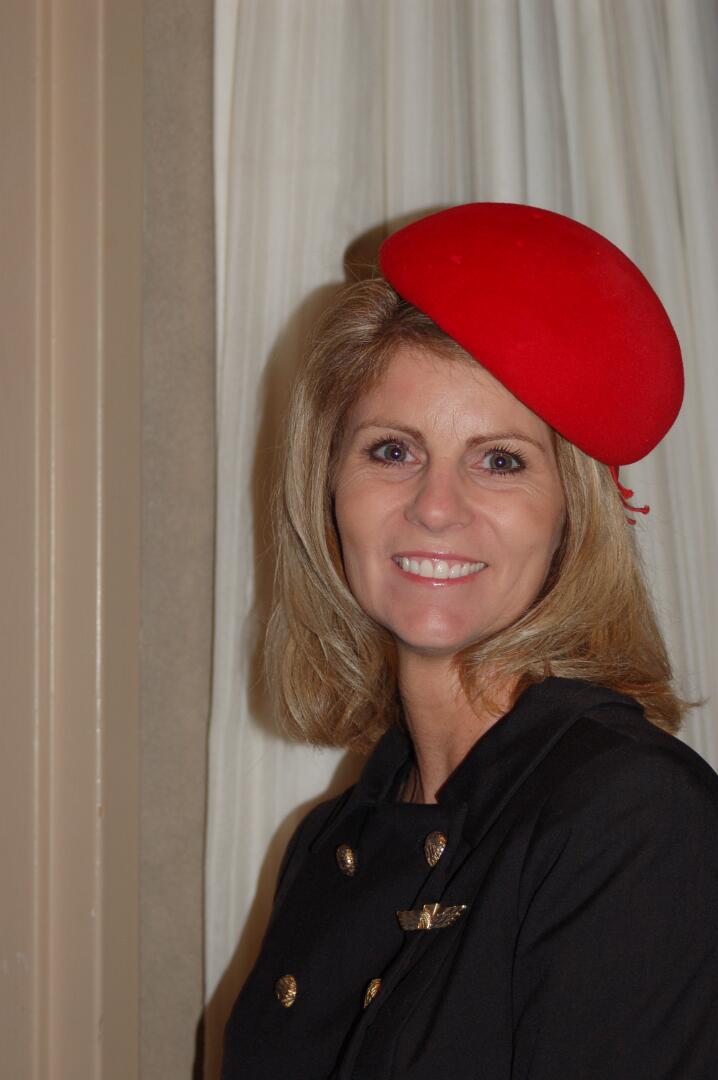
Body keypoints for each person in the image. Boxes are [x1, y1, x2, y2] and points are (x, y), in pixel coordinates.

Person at [221, 204, 718, 1079]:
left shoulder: (635, 818)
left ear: (572, 517)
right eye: (392, 451)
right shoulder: (328, 837)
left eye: (499, 460)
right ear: (328, 486)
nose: (436, 507)